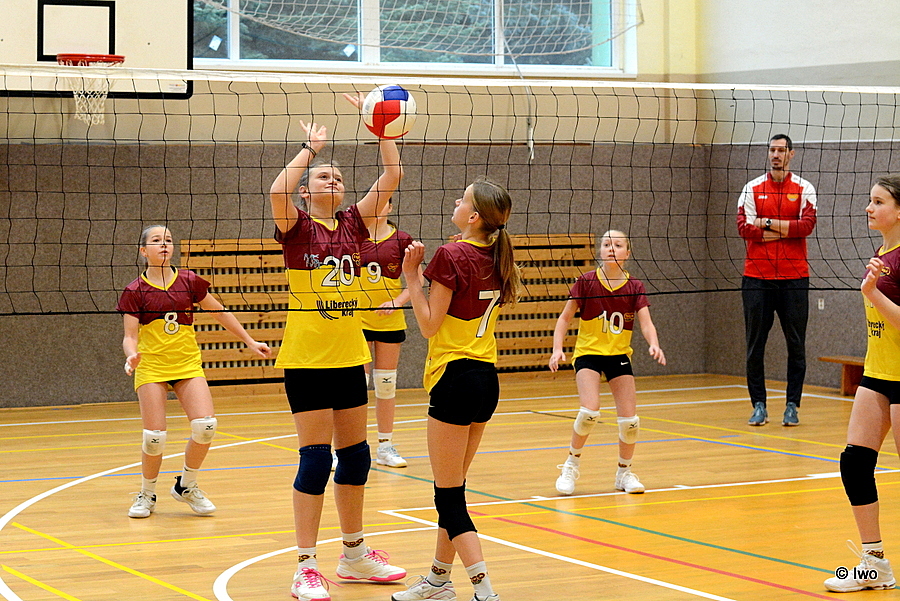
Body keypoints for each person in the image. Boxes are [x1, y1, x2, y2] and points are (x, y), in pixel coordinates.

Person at [268, 93, 406, 601]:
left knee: (356, 458)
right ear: (306, 192)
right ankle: (305, 566)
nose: (335, 180)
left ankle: (353, 555)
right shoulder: (296, 227)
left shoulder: (354, 223)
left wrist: (384, 133)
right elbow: (276, 191)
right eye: (325, 177)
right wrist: (311, 149)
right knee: (314, 461)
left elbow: (391, 176)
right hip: (306, 359)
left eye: (339, 177)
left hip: (350, 356)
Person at [392, 177, 519, 601]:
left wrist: (412, 277)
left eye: (462, 199)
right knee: (455, 490)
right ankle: (438, 580)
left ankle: (485, 591)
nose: (455, 202)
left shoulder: (451, 254)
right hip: (485, 380)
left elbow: (430, 325)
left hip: (454, 378)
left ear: (474, 216)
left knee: (448, 499)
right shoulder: (496, 254)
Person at [117, 225, 271, 519]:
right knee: (154, 437)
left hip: (187, 364)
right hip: (152, 366)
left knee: (206, 426)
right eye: (156, 241)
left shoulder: (188, 281)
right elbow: (129, 336)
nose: (164, 245)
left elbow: (219, 312)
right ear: (143, 250)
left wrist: (250, 341)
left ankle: (186, 485)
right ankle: (147, 493)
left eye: (168, 240)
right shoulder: (134, 291)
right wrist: (130, 356)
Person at [824, 175, 900, 593]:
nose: (869, 208)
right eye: (870, 201)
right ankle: (875, 564)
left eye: (878, 202)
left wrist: (873, 293)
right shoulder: (882, 254)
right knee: (854, 464)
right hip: (878, 374)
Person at [548, 230, 666, 496]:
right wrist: (557, 349)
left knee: (630, 421)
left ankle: (624, 473)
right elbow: (565, 318)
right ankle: (570, 465)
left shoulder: (634, 286)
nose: (611, 248)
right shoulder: (586, 281)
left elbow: (646, 323)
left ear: (627, 253)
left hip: (618, 355)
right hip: (589, 353)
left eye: (618, 244)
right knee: (589, 412)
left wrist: (654, 344)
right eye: (606, 244)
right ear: (599, 251)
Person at [737, 133, 817, 427]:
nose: (776, 155)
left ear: (791, 154)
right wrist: (785, 230)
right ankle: (758, 404)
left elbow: (806, 226)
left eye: (781, 150)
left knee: (796, 345)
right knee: (755, 345)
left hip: (794, 278)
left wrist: (767, 224)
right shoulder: (752, 188)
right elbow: (744, 228)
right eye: (772, 150)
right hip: (757, 278)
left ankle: (792, 405)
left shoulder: (805, 188)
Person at [358, 199, 423, 468]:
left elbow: (417, 279)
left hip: (389, 321)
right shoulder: (352, 236)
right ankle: (347, 447)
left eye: (383, 201)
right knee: (355, 388)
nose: (377, 205)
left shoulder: (402, 240)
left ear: (391, 207)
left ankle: (385, 447)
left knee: (385, 385)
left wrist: (396, 302)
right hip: (357, 320)